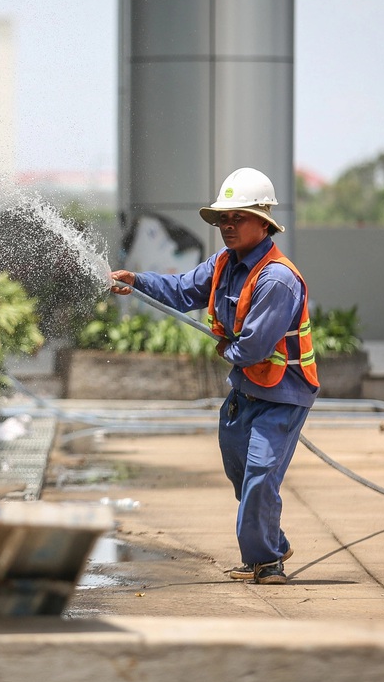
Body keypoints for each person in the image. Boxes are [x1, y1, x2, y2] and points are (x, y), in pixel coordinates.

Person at [110, 167, 319, 585]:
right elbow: (183, 290)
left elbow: (255, 347)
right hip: (246, 390)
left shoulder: (276, 280)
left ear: (263, 222)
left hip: (282, 395)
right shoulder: (223, 264)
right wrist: (138, 282)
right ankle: (270, 542)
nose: (227, 226)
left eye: (237, 217)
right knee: (240, 469)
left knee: (260, 471)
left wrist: (228, 348)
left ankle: (267, 561)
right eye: (224, 218)